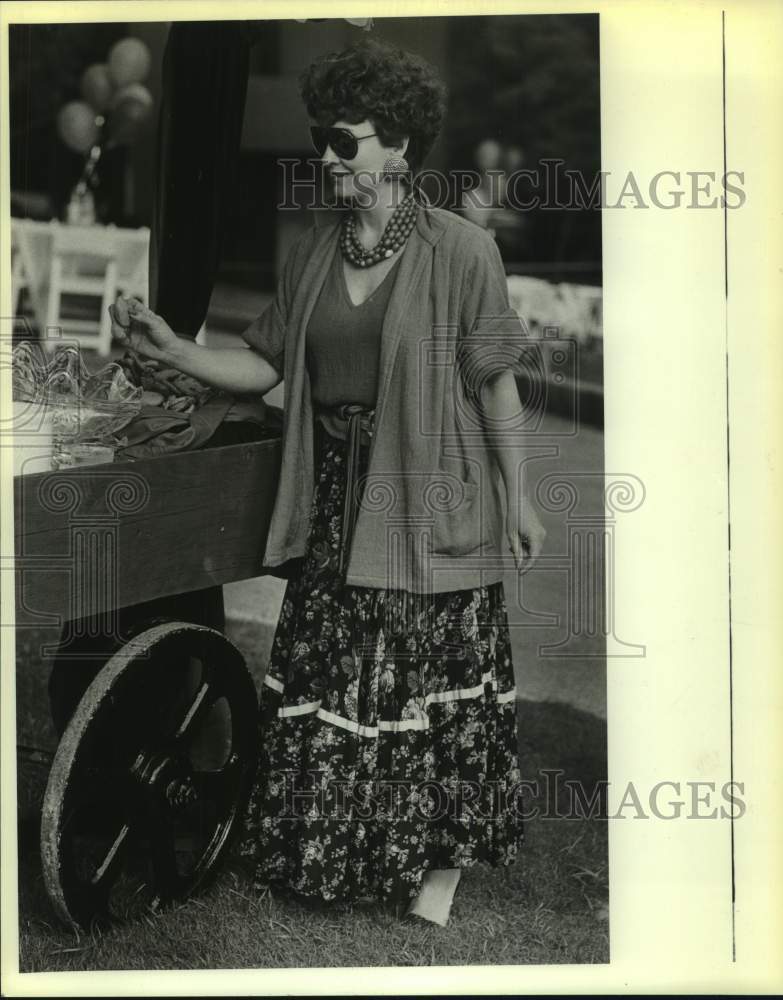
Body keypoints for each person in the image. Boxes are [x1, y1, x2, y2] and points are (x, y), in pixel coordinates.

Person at [110, 37, 546, 927]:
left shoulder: (463, 252)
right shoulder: (313, 253)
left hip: (427, 488)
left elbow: (495, 382)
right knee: (336, 670)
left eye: (345, 141)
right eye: (322, 139)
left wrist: (522, 494)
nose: (328, 157)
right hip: (337, 490)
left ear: (398, 146)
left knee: (419, 674)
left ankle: (434, 865)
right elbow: (264, 365)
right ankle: (333, 851)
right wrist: (174, 348)